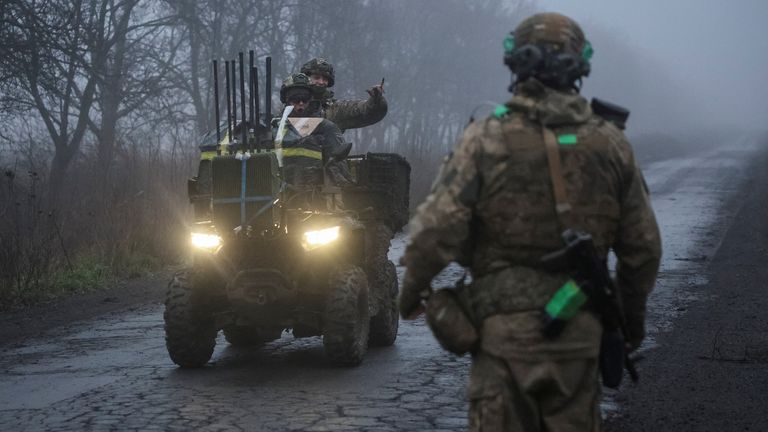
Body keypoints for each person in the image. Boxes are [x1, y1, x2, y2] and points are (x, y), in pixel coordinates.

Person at [398, 12, 661, 431]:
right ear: (579, 66)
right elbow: (643, 249)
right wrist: (629, 325)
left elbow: (435, 231)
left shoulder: (485, 138)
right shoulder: (610, 144)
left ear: (516, 63)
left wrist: (410, 293)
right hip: (578, 337)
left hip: (504, 338)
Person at [276, 73, 352, 187]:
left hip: (313, 189)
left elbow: (337, 162)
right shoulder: (276, 126)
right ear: (286, 100)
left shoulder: (324, 127)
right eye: (295, 99)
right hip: (278, 188)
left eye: (305, 99)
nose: (301, 103)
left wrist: (342, 183)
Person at [300, 57, 388, 132]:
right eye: (316, 78)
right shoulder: (293, 107)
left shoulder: (333, 110)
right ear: (305, 78)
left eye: (325, 79)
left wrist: (375, 100)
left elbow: (362, 110)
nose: (321, 82)